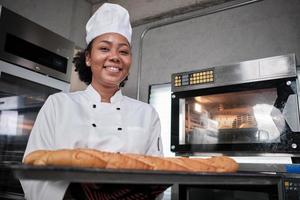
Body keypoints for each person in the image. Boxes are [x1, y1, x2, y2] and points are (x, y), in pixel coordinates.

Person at [20, 3, 164, 200]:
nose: (115, 57)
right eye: (104, 48)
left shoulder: (147, 114)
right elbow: (32, 172)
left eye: (123, 51)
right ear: (88, 57)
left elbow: (156, 177)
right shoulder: (58, 105)